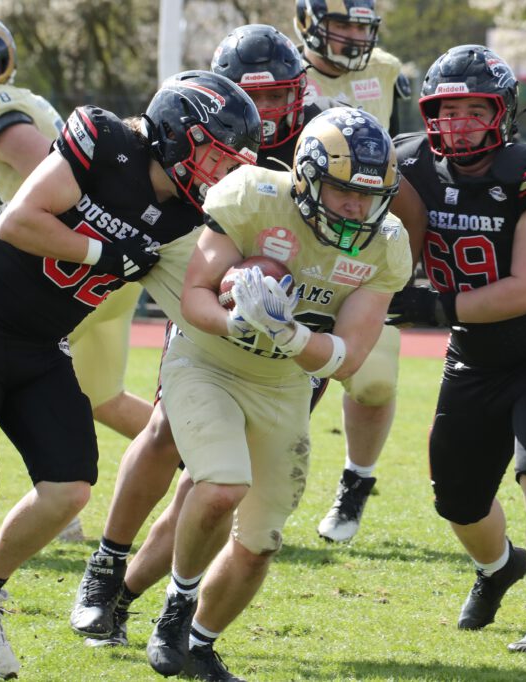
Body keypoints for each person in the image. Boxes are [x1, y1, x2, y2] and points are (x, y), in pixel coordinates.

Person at [0, 71, 260, 681]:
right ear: (176, 133)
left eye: (229, 159)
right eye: (215, 152)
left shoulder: (186, 218)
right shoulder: (104, 142)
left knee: (69, 490)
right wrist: (104, 254)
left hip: (41, 341)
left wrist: (249, 308)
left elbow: (192, 291)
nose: (221, 170)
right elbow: (18, 221)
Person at [68, 25, 359, 649]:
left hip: (290, 334)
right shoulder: (213, 134)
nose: (276, 112)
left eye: (284, 97)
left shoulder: (323, 142)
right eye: (264, 98)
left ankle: (128, 599)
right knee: (169, 433)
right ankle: (107, 565)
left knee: (213, 490)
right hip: (210, 302)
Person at [129, 106, 409, 679]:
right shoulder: (254, 195)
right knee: (218, 488)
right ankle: (176, 610)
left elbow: (347, 357)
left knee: (260, 542)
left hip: (284, 381)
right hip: (206, 361)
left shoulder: (386, 244)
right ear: (306, 180)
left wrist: (284, 331)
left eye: (368, 195)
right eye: (343, 192)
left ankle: (201, 645)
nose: (358, 208)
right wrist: (240, 323)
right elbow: (196, 297)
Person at [388, 44, 526, 654]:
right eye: (446, 111)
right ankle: (500, 566)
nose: (459, 124)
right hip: (475, 353)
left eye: (474, 111)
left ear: (502, 114)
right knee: (457, 501)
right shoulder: (404, 167)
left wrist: (435, 307)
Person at [0, 12, 155, 543]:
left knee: (18, 366)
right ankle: (204, 462)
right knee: (104, 399)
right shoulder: (17, 100)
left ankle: (59, 511)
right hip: (100, 274)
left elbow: (47, 176)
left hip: (73, 269)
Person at [295, 0, 412, 543]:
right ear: (309, 24)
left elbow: (409, 162)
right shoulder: (282, 68)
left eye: (360, 26)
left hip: (365, 242)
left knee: (374, 378)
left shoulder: (385, 72)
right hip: (290, 243)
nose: (351, 36)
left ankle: (356, 482)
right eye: (340, 23)